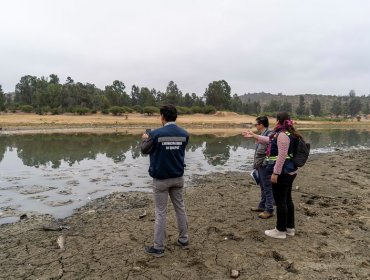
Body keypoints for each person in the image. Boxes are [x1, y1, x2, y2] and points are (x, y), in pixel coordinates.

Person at [141, 104, 190, 257]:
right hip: (178, 177)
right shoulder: (184, 134)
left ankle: (158, 247)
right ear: (176, 117)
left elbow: (144, 150)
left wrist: (145, 139)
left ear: (162, 116)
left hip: (161, 179)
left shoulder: (155, 134)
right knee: (180, 208)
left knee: (161, 212)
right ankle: (184, 240)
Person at [242, 112, 300, 239]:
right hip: (289, 172)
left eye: (276, 120)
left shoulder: (283, 135)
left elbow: (282, 156)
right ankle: (290, 229)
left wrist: (275, 173)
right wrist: (254, 135)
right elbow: (269, 140)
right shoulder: (287, 133)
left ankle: (280, 230)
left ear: (279, 121)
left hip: (283, 173)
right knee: (287, 200)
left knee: (281, 202)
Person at [248, 116, 274, 219]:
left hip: (265, 165)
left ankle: (269, 210)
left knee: (267, 187)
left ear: (261, 124)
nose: (255, 126)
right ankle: (262, 206)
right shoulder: (262, 134)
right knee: (263, 186)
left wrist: (254, 136)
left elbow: (265, 149)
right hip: (260, 165)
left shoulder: (270, 134)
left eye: (256, 124)